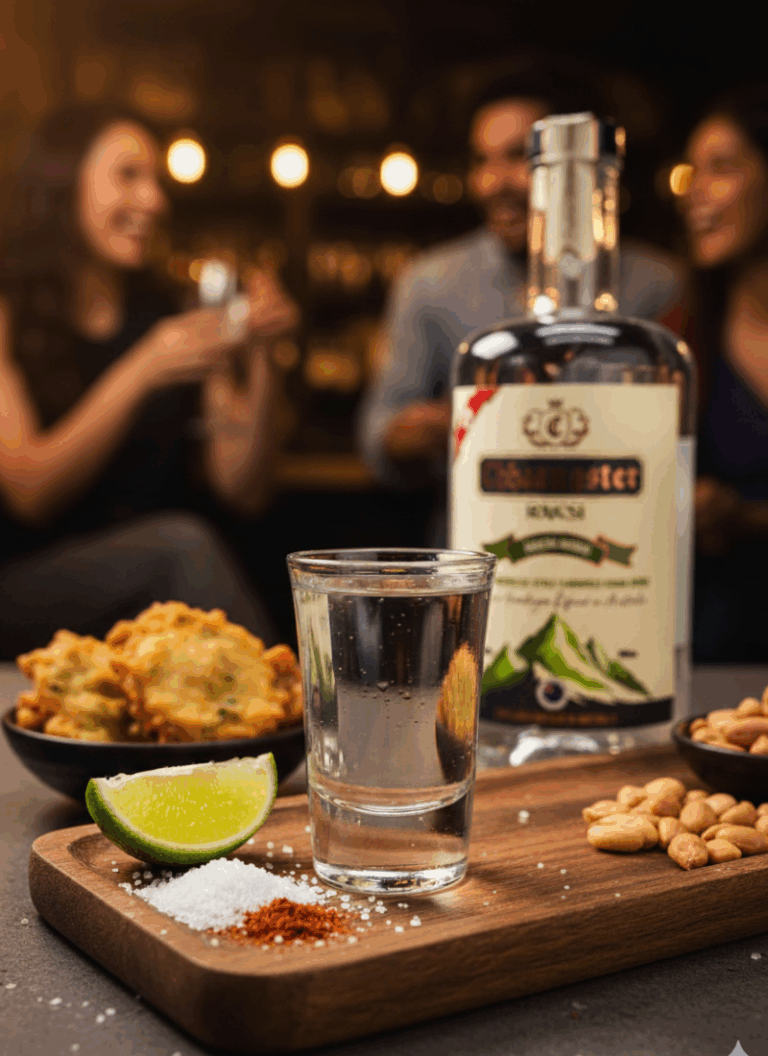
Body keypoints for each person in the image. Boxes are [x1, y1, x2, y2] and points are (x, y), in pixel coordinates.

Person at [0, 104, 297, 658]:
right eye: (128, 176)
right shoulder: (10, 310)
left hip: (146, 604)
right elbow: (30, 492)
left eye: (156, 181)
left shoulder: (168, 314)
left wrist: (262, 352)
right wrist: (144, 367)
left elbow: (243, 487)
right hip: (24, 591)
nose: (155, 201)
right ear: (65, 184)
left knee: (191, 544)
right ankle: (291, 716)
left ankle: (284, 715)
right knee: (180, 545)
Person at [356, 59, 689, 543]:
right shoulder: (429, 280)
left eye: (519, 158)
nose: (494, 183)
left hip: (618, 552)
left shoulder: (657, 283)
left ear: (577, 168)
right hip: (482, 557)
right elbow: (377, 437)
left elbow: (675, 443)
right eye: (481, 161)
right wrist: (446, 421)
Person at [680, 83, 768, 662]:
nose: (696, 194)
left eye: (722, 168)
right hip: (724, 650)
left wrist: (747, 517)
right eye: (692, 173)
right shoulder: (684, 333)